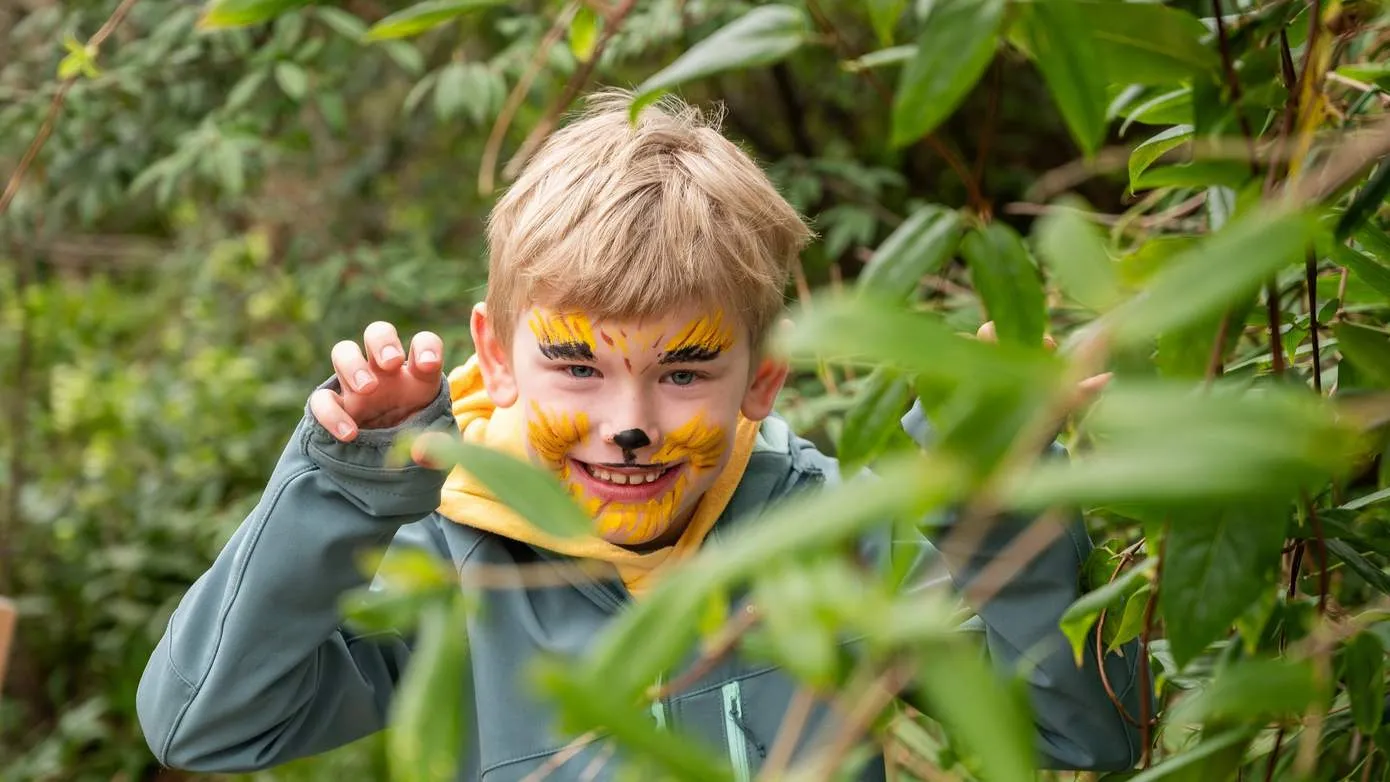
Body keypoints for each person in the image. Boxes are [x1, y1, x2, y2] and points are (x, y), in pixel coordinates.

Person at [136, 91, 1146, 781]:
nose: (628, 425)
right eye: (578, 364)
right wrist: (352, 483)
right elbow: (206, 722)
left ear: (761, 379)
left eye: (683, 369)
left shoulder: (833, 533)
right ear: (492, 359)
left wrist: (1001, 493)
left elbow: (1084, 731)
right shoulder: (448, 562)